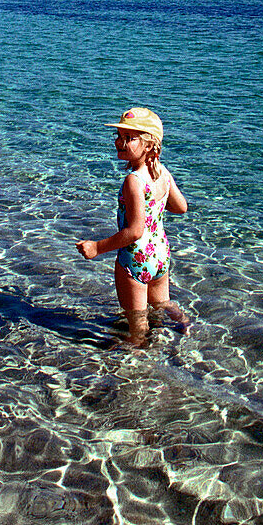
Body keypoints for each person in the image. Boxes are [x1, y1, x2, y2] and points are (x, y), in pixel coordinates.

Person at [76, 107, 188, 347]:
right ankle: (184, 324)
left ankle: (136, 363)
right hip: (160, 254)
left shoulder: (134, 180)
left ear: (148, 145)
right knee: (162, 303)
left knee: (137, 322)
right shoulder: (163, 174)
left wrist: (97, 247)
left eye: (129, 138)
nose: (120, 142)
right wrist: (153, 206)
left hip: (135, 258)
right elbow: (181, 207)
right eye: (118, 136)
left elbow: (134, 231)